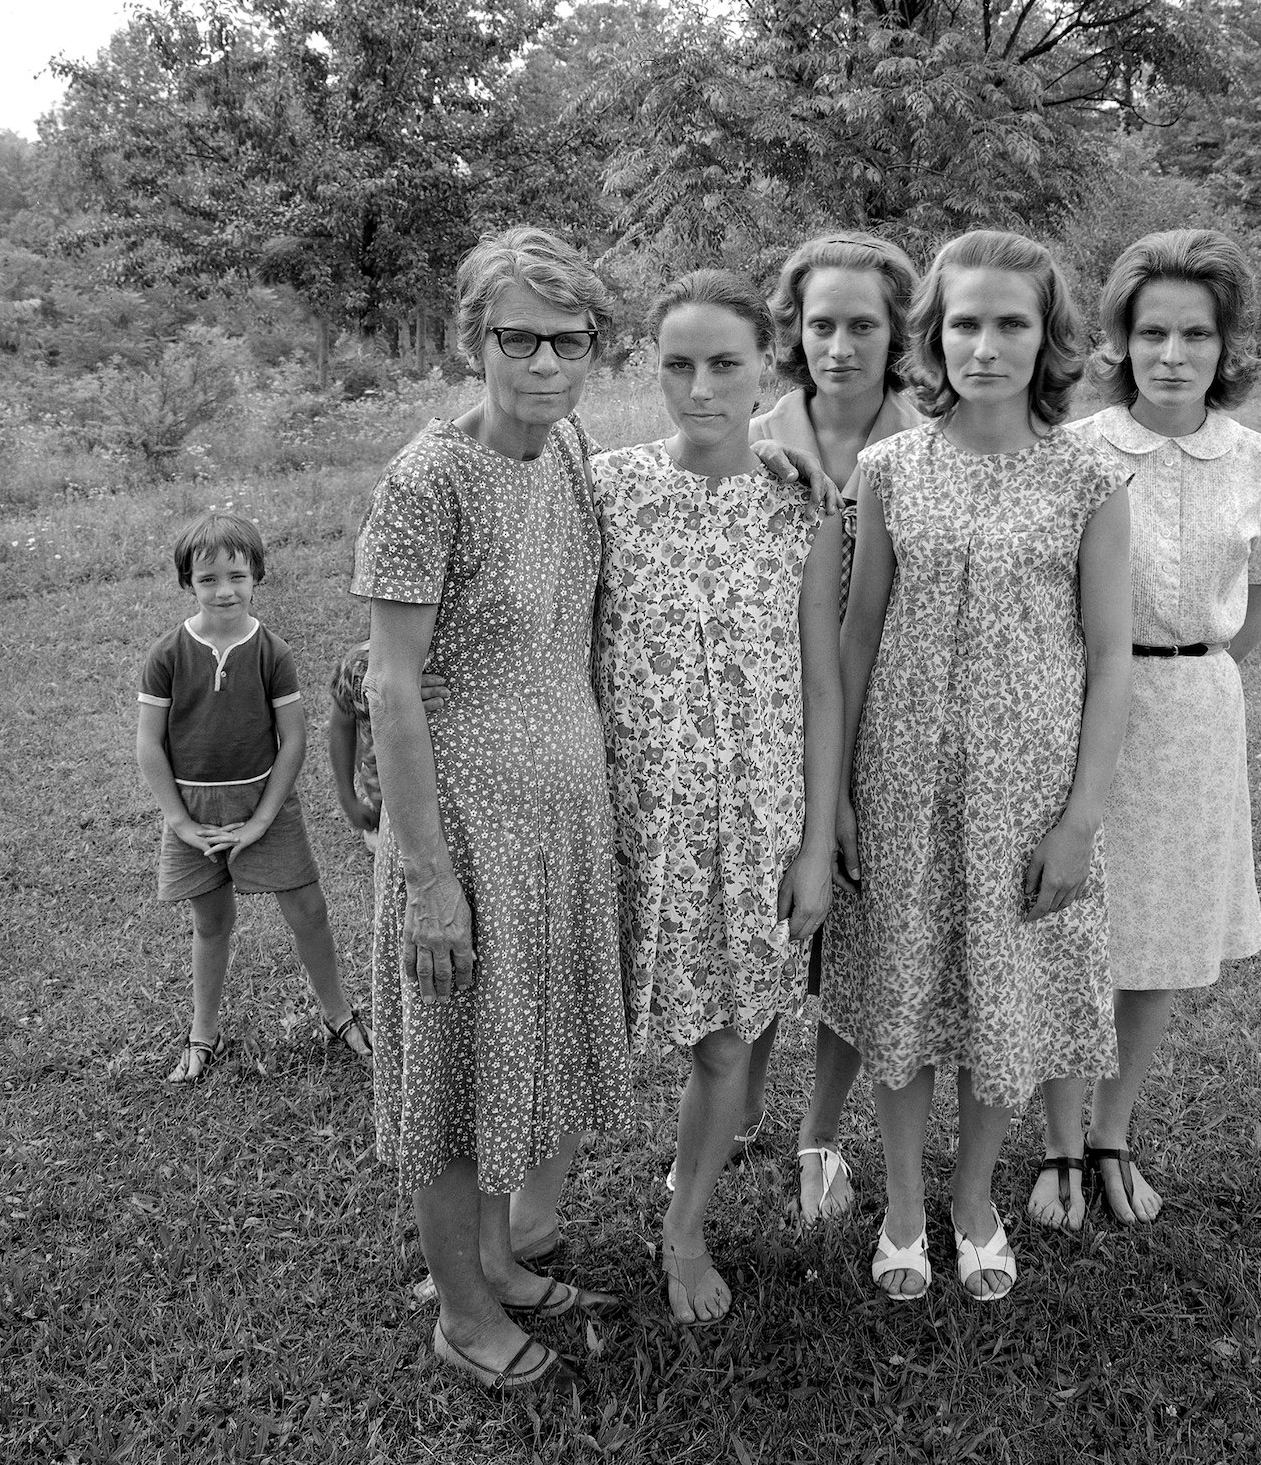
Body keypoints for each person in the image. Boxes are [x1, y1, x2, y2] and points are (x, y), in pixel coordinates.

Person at [354, 227, 837, 1393]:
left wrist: (779, 451)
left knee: (522, 1050)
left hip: (574, 825)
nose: (542, 362)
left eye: (566, 341)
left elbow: (715, 485)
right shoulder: (456, 478)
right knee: (460, 1070)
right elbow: (386, 681)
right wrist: (424, 874)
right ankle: (465, 1309)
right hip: (482, 828)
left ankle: (502, 1265)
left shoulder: (569, 453)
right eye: (516, 338)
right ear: (471, 340)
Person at [826, 230, 1134, 1303]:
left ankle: (973, 1200)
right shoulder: (887, 469)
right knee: (904, 990)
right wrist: (838, 795)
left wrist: (1078, 820)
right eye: (965, 323)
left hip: (1025, 791)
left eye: (1011, 323)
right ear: (933, 335)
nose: (986, 346)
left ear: (1048, 338)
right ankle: (905, 1205)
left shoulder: (1089, 478)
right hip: (901, 782)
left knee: (1003, 995)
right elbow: (857, 633)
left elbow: (1110, 654)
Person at [1033, 228, 1261, 1231]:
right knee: (1076, 932)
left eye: (1195, 334)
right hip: (1081, 709)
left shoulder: (1259, 460)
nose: (1173, 354)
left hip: (1195, 716)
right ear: (1121, 339)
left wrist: (1195, 672)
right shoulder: (1074, 450)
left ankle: (1111, 1132)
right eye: (1152, 333)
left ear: (1226, 345)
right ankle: (1058, 1143)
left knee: (1163, 937)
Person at [593, 269, 843, 1323]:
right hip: (621, 812)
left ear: (764, 369)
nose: (701, 388)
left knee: (730, 1038)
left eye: (725, 364)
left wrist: (816, 845)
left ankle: (683, 1229)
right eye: (678, 364)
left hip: (753, 819)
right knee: (574, 1020)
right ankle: (518, 1224)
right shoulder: (605, 487)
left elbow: (823, 685)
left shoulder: (802, 506)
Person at [745, 231, 923, 1226]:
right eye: (821, 325)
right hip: (772, 721)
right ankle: (731, 1108)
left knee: (856, 940)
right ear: (793, 329)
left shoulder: (927, 444)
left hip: (889, 721)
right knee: (766, 925)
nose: (840, 347)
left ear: (897, 333)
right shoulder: (751, 436)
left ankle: (820, 1132)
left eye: (863, 326)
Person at [135, 513, 372, 1083]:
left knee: (309, 911)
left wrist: (262, 820)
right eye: (208, 579)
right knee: (211, 921)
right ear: (188, 583)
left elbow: (294, 741)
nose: (224, 591)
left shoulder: (272, 652)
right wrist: (180, 822)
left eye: (236, 576)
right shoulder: (167, 654)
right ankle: (204, 1032)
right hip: (194, 809)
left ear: (257, 576)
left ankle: (338, 1015)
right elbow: (148, 744)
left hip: (267, 803)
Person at [327, 639, 382, 854]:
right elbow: (342, 726)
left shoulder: (460, 665)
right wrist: (348, 798)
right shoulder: (360, 664)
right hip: (384, 805)